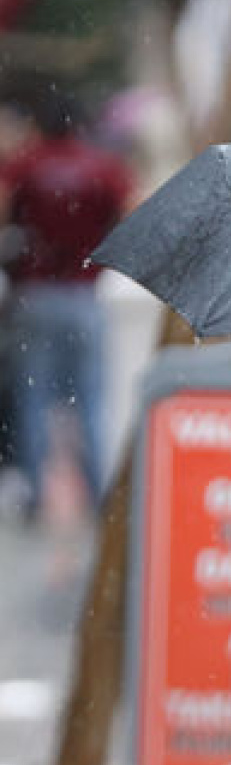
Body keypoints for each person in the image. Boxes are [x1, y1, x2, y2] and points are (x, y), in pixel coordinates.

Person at [0, 83, 134, 520]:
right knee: (91, 399)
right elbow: (134, 215)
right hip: (84, 295)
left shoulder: (24, 165)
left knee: (33, 399)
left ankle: (37, 499)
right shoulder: (104, 168)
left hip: (34, 296)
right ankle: (98, 498)